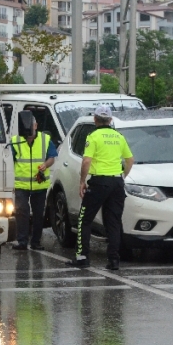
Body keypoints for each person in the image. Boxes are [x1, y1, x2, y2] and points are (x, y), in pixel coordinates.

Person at [67, 105, 135, 271]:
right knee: (113, 222)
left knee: (85, 218)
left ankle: (82, 257)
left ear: (95, 119)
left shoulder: (93, 136)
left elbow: (86, 161)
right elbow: (130, 160)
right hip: (116, 183)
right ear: (110, 120)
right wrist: (122, 177)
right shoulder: (119, 137)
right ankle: (113, 260)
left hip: (99, 183)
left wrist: (82, 181)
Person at [10, 118, 57, 251]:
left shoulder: (45, 139)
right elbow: (9, 160)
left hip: (39, 184)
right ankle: (22, 241)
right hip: (21, 184)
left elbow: (52, 157)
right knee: (21, 212)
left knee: (38, 214)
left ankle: (36, 242)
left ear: (36, 125)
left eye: (32, 125)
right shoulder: (15, 140)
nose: (29, 128)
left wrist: (45, 164)